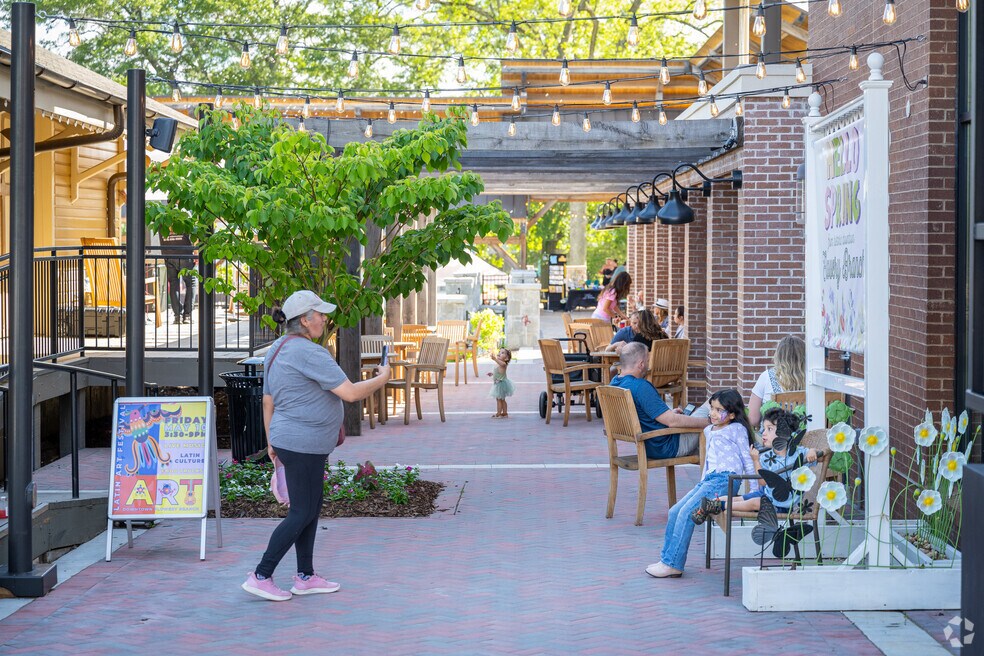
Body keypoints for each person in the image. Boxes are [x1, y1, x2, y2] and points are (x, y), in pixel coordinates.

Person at [242, 290, 390, 602]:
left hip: (289, 440)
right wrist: (383, 378)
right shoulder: (310, 353)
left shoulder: (276, 350)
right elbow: (350, 393)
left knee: (308, 509)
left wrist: (271, 443)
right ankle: (261, 574)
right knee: (302, 511)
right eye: (320, 314)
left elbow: (268, 402)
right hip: (303, 442)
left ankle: (305, 576)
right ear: (305, 320)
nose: (325, 318)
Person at [646, 388, 757, 579]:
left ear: (731, 414)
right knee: (675, 511)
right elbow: (708, 461)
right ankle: (667, 559)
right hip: (709, 480)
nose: (713, 414)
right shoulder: (709, 430)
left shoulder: (737, 430)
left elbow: (747, 459)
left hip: (725, 480)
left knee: (688, 514)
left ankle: (672, 564)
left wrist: (754, 490)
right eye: (712, 408)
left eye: (719, 410)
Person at [692, 407, 817, 522]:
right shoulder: (767, 457)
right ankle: (706, 507)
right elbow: (763, 484)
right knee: (737, 499)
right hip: (767, 494)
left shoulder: (797, 453)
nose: (763, 433)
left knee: (754, 503)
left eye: (769, 429)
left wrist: (812, 451)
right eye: (764, 428)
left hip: (782, 504)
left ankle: (719, 506)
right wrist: (757, 460)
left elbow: (762, 481)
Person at [609, 342, 710, 461]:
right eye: (648, 360)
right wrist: (709, 422)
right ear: (641, 364)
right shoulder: (641, 387)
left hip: (649, 446)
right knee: (716, 402)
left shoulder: (614, 384)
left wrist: (669, 413)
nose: (648, 364)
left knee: (709, 442)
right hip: (668, 445)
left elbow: (642, 415)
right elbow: (672, 422)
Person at [747, 335, 806, 427]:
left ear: (778, 355)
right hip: (808, 438)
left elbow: (753, 419)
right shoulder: (814, 381)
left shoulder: (766, 377)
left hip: (773, 440)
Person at [161, 232, 196, 324]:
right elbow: (194, 234)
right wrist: (195, 251)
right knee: (190, 283)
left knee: (173, 284)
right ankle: (187, 315)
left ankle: (177, 316)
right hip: (184, 254)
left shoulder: (160, 218)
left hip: (168, 254)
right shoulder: (185, 217)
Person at [488, 348, 515, 418]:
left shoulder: (503, 364)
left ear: (506, 358)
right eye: (499, 352)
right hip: (498, 383)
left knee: (499, 399)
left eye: (502, 353)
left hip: (501, 384)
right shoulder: (498, 364)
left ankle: (499, 413)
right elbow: (498, 373)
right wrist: (492, 374)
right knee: (501, 399)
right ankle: (505, 413)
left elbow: (501, 364)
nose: (500, 353)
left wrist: (494, 359)